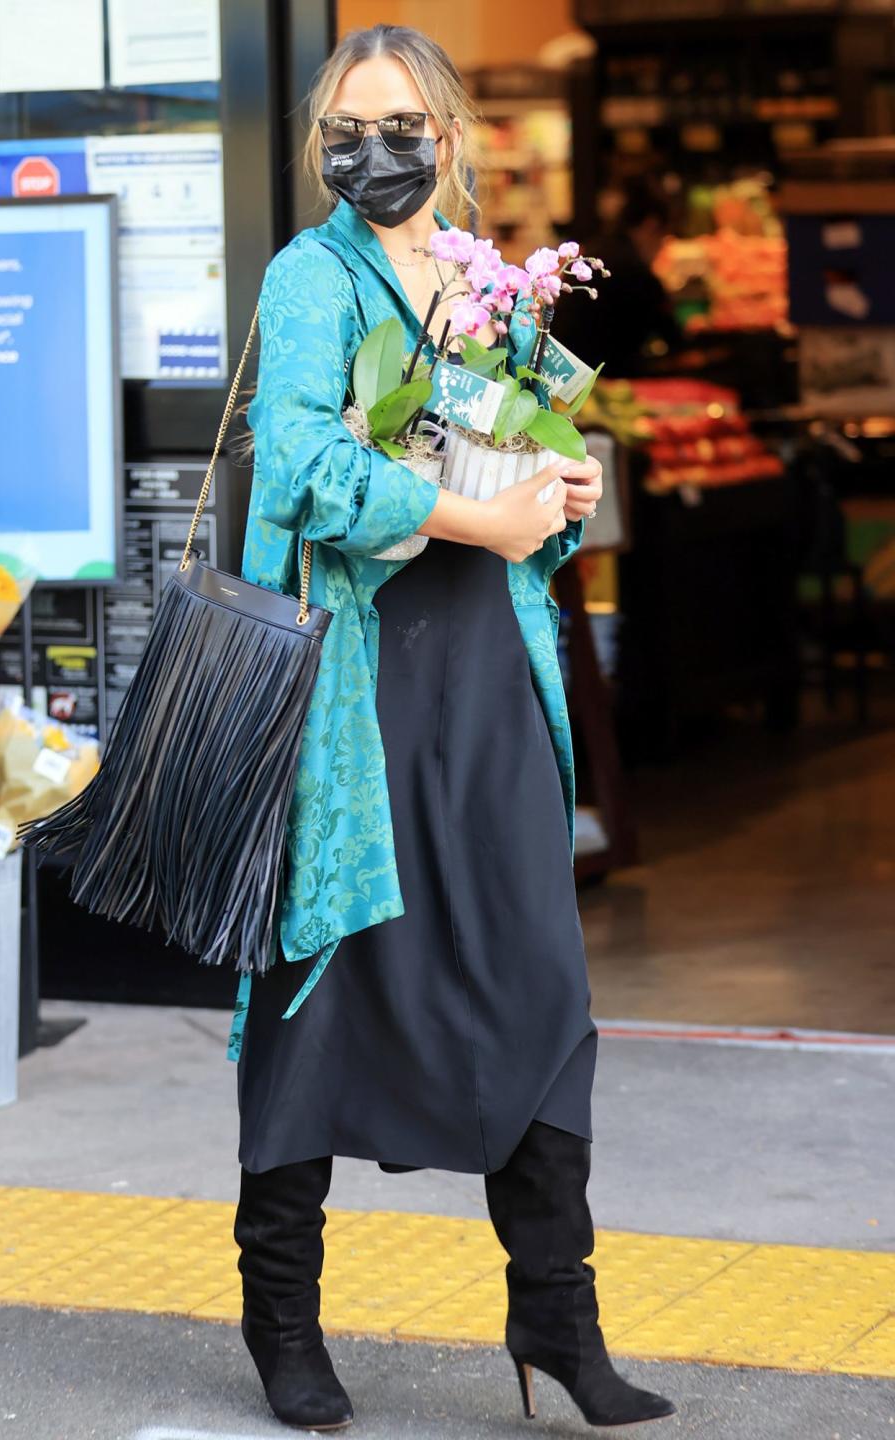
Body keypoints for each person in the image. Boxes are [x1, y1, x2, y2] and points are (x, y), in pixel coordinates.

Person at [228, 23, 676, 1433]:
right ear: (321, 145)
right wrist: (470, 512)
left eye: (404, 122)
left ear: (451, 132)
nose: (378, 149)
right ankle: (283, 1328)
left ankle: (558, 1322)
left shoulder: (491, 282)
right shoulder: (312, 277)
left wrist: (557, 497)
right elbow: (298, 459)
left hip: (485, 684)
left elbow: (537, 452)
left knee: (539, 982)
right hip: (350, 694)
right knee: (318, 994)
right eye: (349, 126)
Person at [552, 176, 682, 377]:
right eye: (663, 239)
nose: (661, 249)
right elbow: (672, 336)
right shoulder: (632, 268)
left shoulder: (599, 250)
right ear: (651, 226)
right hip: (600, 379)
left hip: (562, 372)